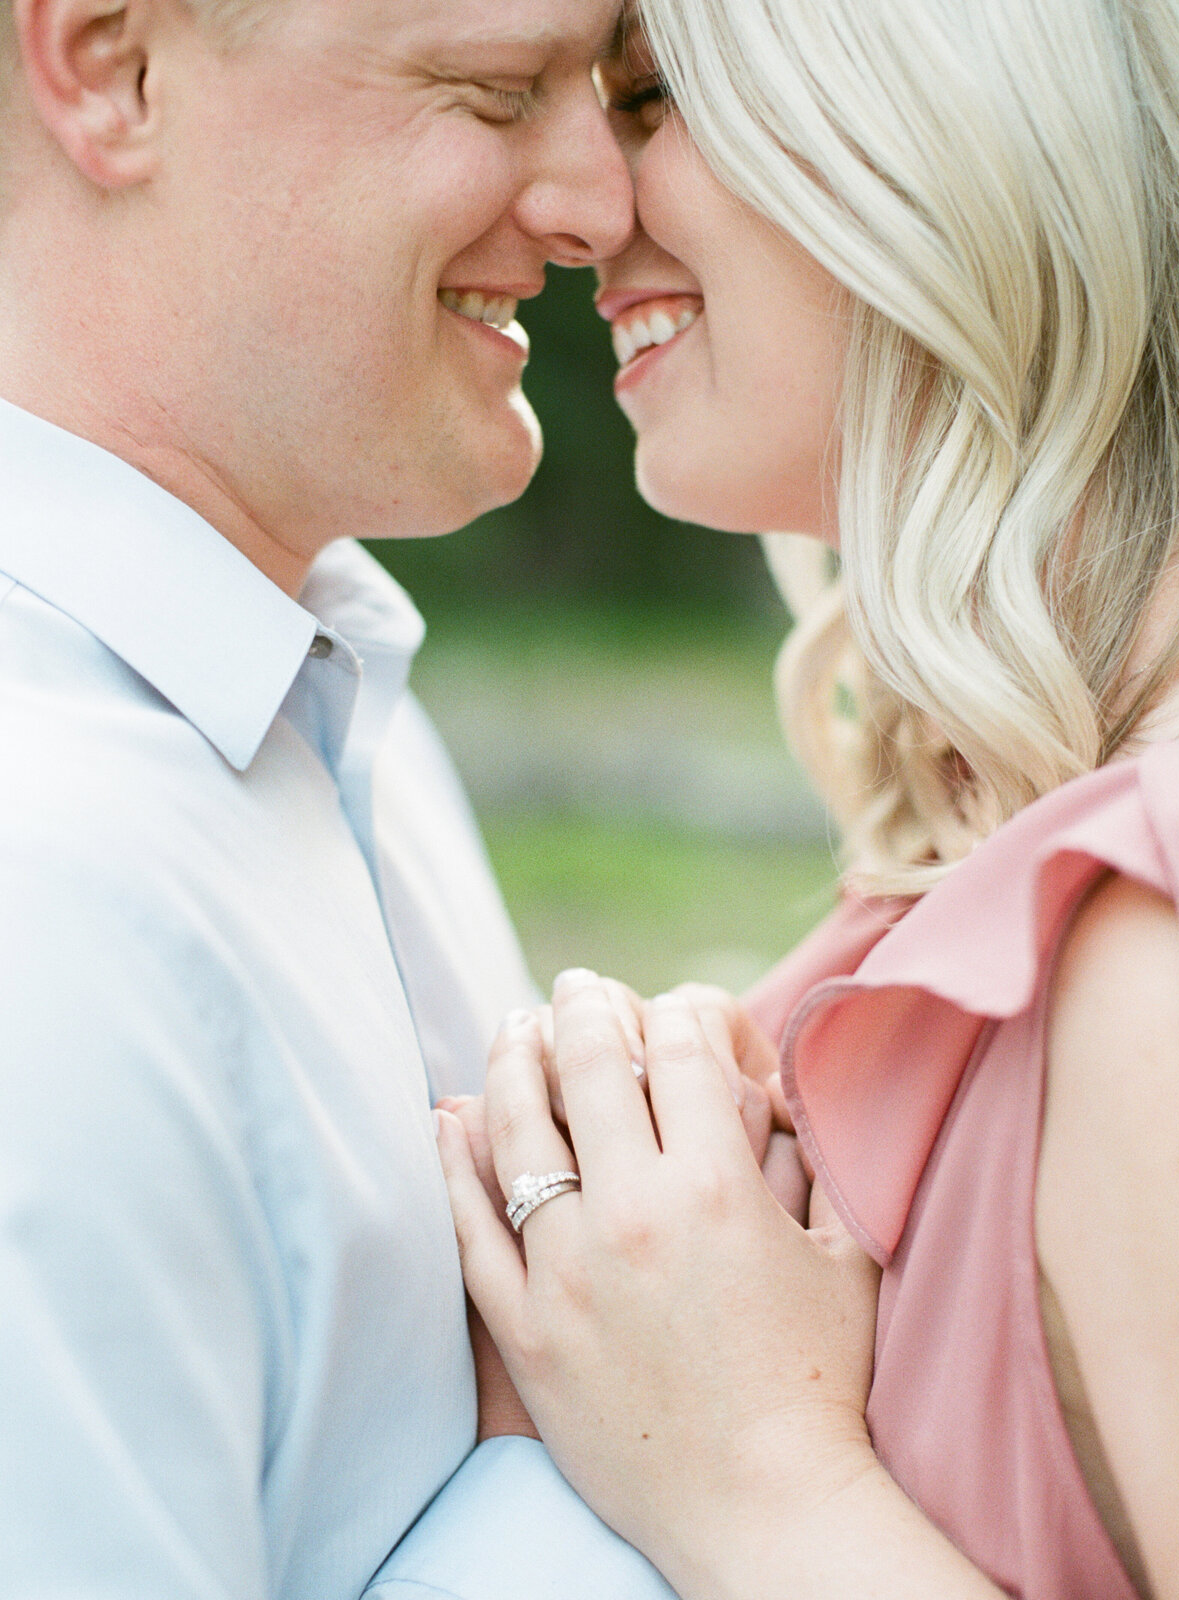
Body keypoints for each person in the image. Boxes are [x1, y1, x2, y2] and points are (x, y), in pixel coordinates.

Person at [435, 2, 1179, 1597]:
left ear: (932, 115)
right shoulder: (1000, 861)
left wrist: (754, 1470)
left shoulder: (1159, 946)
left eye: (647, 100)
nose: (580, 207)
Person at [0, 1, 685, 1595]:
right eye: (498, 89)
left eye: (599, 87)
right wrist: (599, 1469)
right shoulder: (40, 897)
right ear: (114, 71)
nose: (603, 199)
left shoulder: (329, 687)